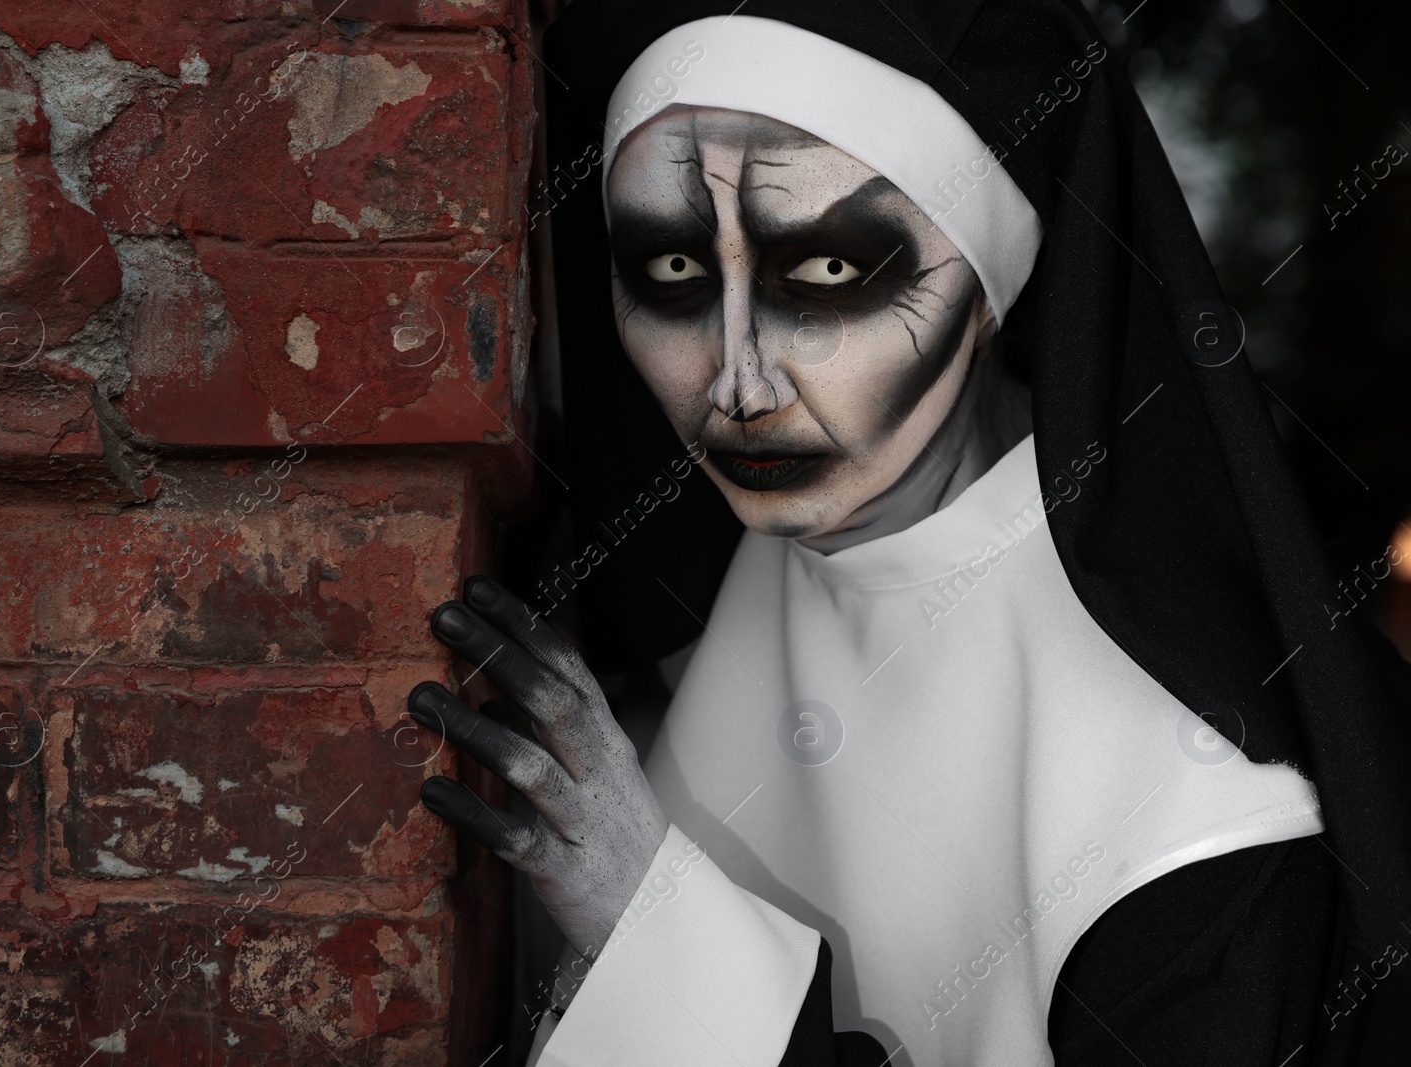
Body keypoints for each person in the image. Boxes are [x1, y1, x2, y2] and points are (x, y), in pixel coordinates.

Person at [404, 2, 1411, 1064]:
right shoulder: (641, 598)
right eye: (672, 274)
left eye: (830, 272)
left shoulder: (1202, 818)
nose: (736, 382)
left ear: (993, 282)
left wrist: (663, 941)